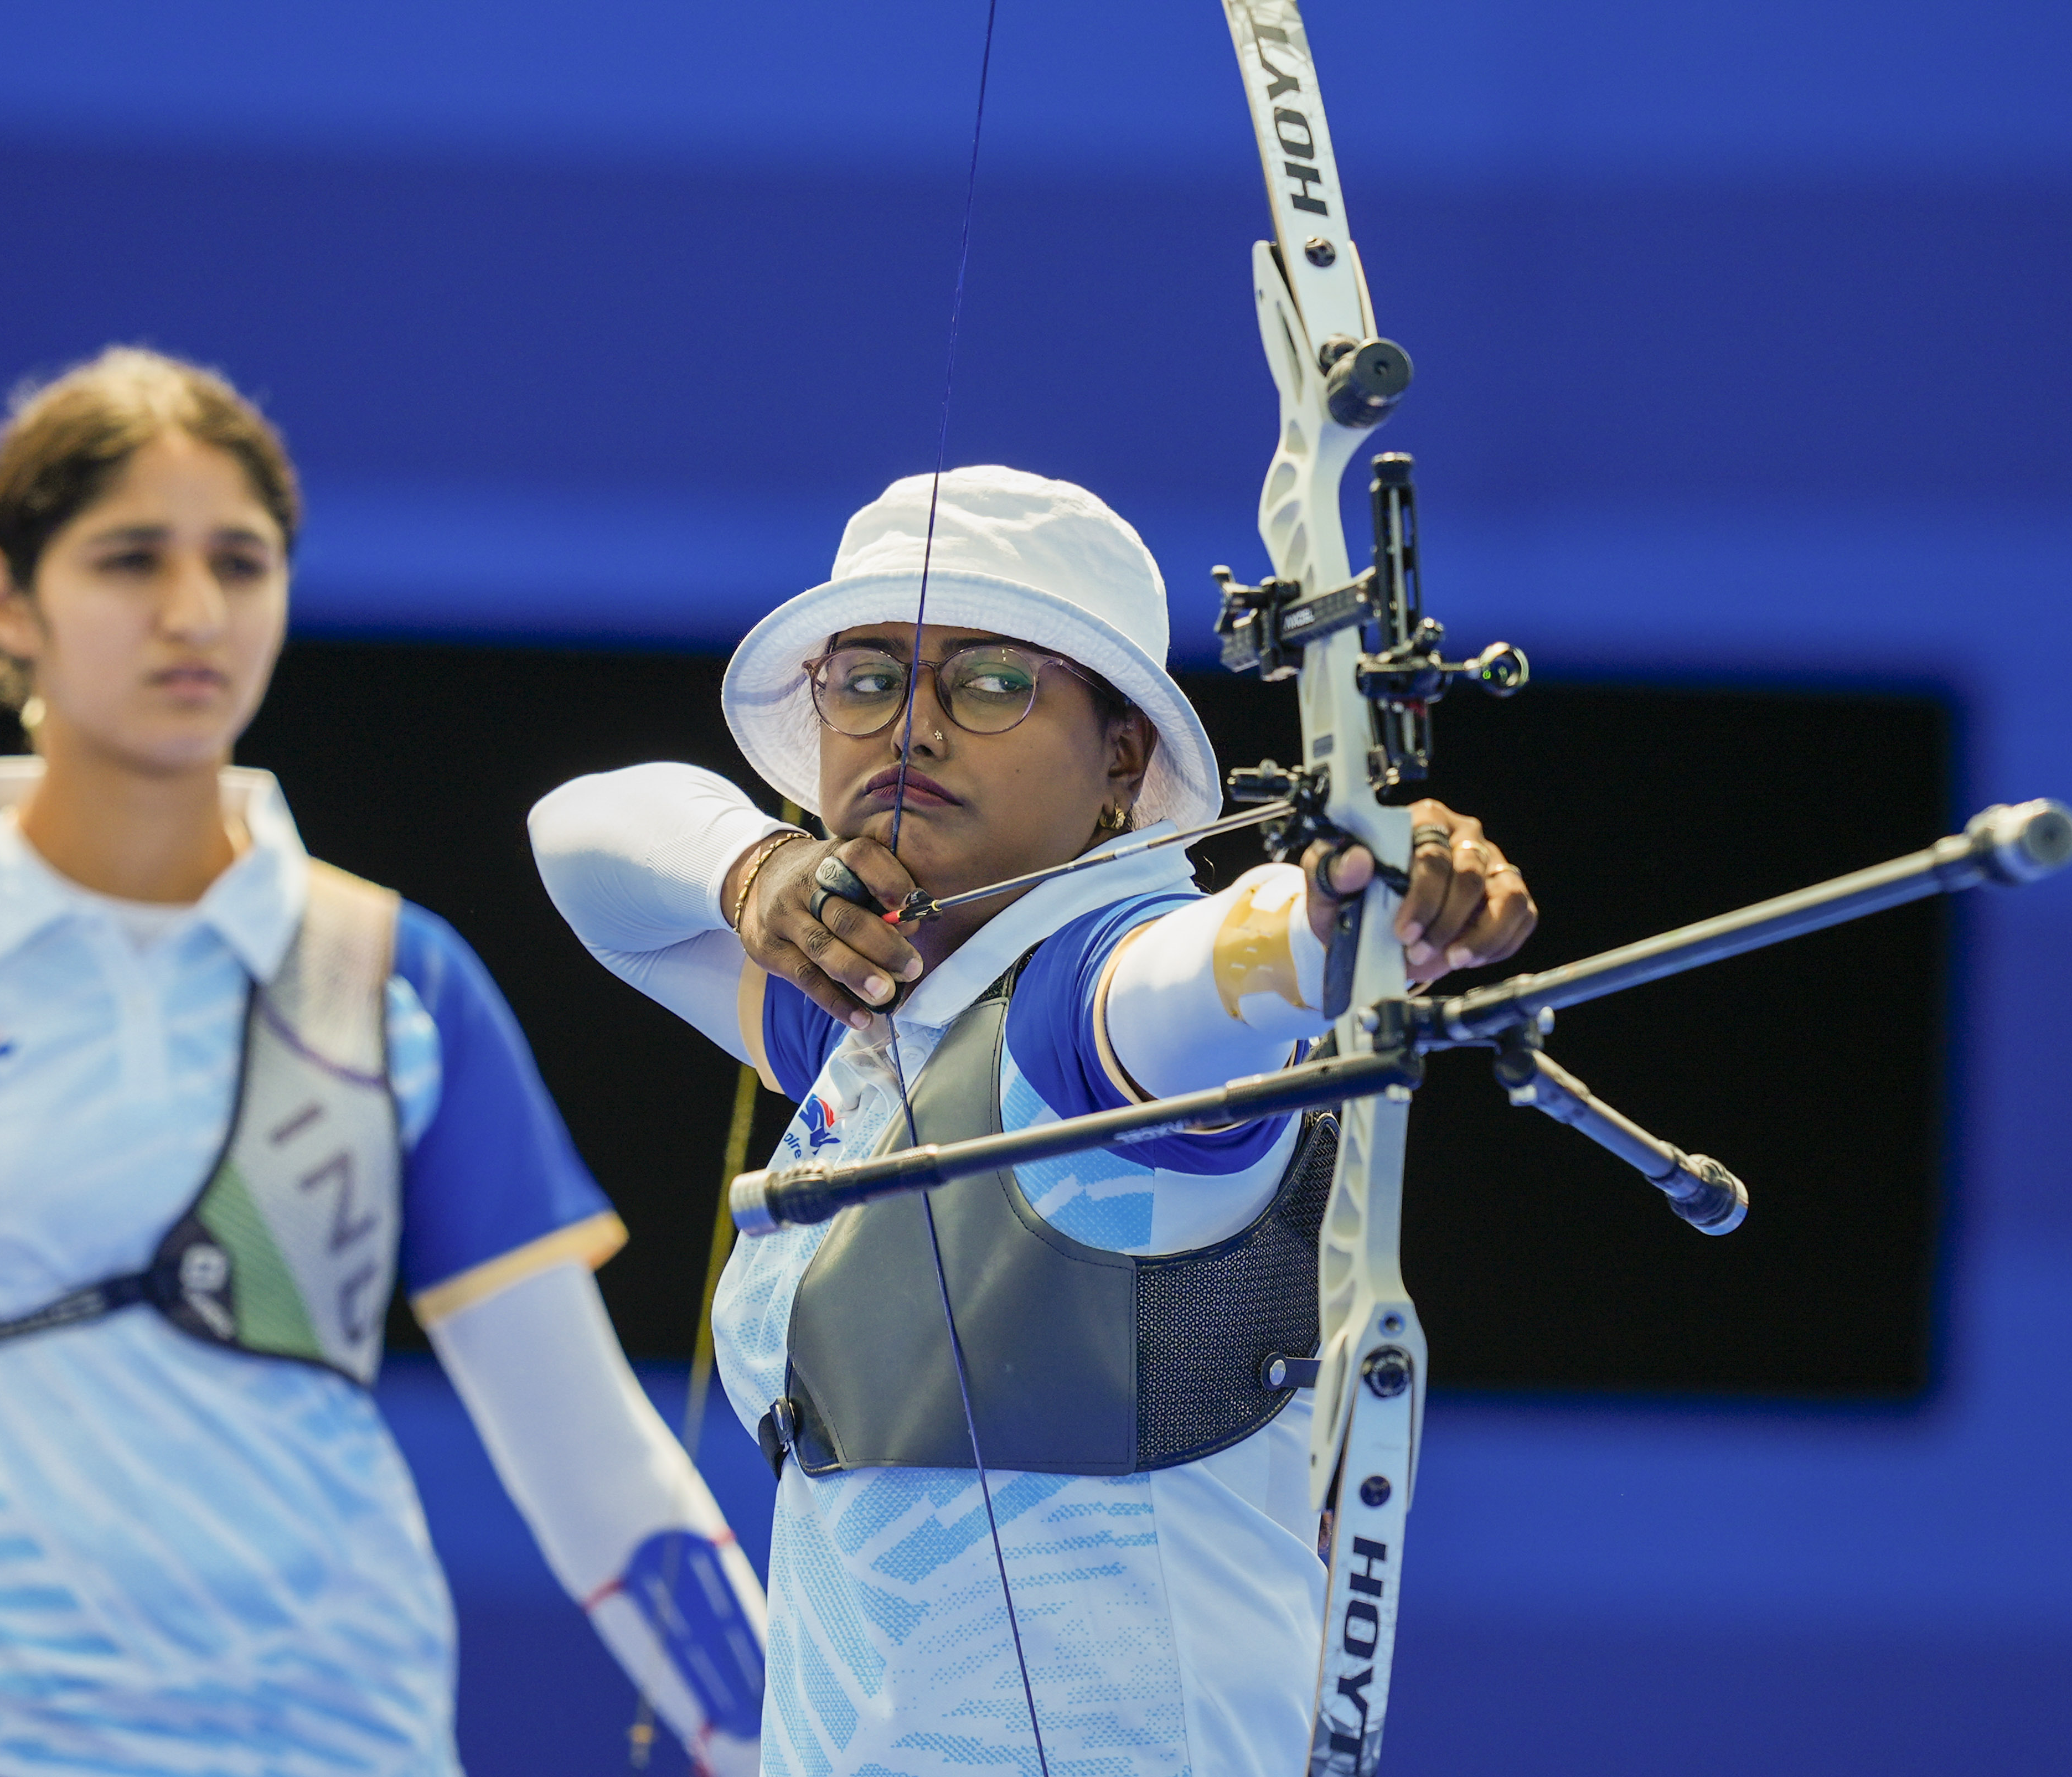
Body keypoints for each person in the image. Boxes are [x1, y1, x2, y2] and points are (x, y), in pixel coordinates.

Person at [0, 349, 765, 1777]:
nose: (194, 612)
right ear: (4, 600)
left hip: (336, 1738)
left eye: (242, 560)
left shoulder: (395, 974)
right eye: (129, 559)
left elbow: (594, 1462)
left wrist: (784, 1746)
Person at [530, 465, 1536, 1775]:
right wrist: (755, 870)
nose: (911, 730)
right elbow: (574, 838)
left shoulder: (1089, 1002)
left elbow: (1205, 976)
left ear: (1123, 755)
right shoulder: (860, 1012)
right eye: (868, 678)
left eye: (993, 682)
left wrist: (1352, 910)